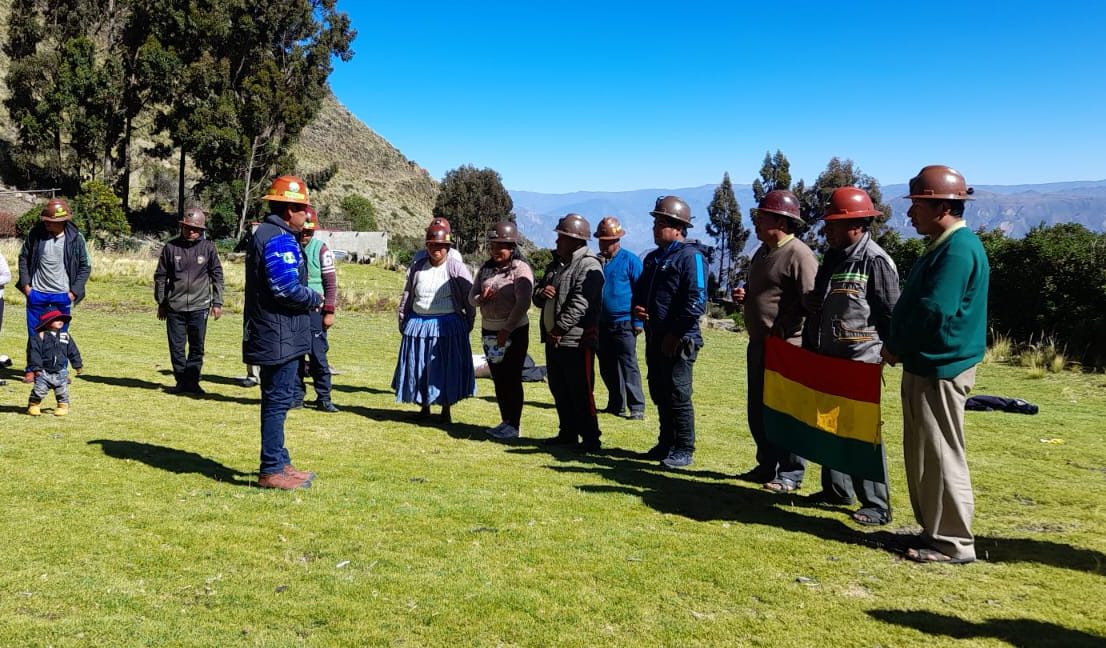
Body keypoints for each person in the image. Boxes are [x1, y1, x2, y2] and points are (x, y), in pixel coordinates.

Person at [883, 165, 989, 564]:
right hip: (927, 365)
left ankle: (953, 542)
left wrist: (895, 346)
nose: (910, 214)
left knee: (942, 453)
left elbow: (934, 311)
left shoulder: (958, 249)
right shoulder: (943, 245)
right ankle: (934, 532)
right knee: (927, 452)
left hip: (940, 367)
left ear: (942, 205)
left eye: (918, 206)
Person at [801, 187, 900, 526]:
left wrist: (887, 353)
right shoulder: (832, 258)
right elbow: (822, 299)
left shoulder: (875, 261)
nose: (826, 230)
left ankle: (876, 503)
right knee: (829, 426)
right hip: (828, 357)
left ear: (856, 225)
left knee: (861, 434)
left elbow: (889, 312)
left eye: (834, 224)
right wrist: (811, 304)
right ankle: (836, 490)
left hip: (860, 360)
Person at [733, 189, 818, 491]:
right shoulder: (763, 252)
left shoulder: (799, 255)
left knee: (786, 413)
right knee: (759, 409)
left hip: (786, 348)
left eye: (762, 216)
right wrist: (745, 297)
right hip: (759, 344)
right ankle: (767, 465)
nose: (755, 222)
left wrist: (786, 327)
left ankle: (790, 473)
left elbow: (812, 302)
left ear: (781, 221)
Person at [243, 175, 322, 490]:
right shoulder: (278, 237)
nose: (307, 214)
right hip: (277, 334)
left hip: (279, 332)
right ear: (289, 210)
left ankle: (280, 460)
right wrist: (314, 298)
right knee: (276, 402)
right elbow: (285, 288)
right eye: (303, 208)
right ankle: (271, 469)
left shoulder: (272, 233)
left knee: (279, 399)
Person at [632, 196, 707, 468]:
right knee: (659, 390)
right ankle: (666, 442)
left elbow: (696, 301)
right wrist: (639, 312)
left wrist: (674, 334)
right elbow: (642, 294)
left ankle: (684, 447)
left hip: (679, 339)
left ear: (678, 227)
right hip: (655, 336)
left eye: (661, 223)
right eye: (654, 222)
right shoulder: (653, 259)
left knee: (678, 393)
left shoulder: (691, 257)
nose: (655, 228)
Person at [533, 214, 605, 451]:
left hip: (576, 340)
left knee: (581, 390)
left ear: (575, 240)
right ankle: (567, 432)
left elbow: (580, 304)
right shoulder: (556, 264)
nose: (556, 241)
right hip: (554, 339)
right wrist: (542, 293)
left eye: (561, 237)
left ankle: (591, 438)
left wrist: (559, 328)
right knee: (559, 387)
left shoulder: (589, 265)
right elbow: (538, 294)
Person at [393, 223, 476, 423]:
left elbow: (469, 296)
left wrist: (469, 321)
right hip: (419, 324)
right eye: (431, 245)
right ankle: (424, 408)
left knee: (445, 368)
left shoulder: (456, 268)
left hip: (447, 327)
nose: (436, 250)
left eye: (440, 246)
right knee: (420, 367)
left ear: (448, 247)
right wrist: (403, 318)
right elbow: (408, 294)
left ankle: (446, 410)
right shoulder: (418, 267)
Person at [469, 221, 534, 440]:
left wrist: (507, 328)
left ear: (512, 247)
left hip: (513, 332)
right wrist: (481, 299)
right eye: (493, 245)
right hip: (488, 331)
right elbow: (472, 297)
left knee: (511, 378)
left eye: (502, 246)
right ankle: (505, 420)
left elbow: (523, 302)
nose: (496, 250)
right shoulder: (486, 269)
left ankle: (514, 424)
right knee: (498, 378)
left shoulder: (520, 269)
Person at [16, 198, 91, 381]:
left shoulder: (76, 238)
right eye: (46, 220)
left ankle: (59, 371)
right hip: (37, 293)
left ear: (61, 221)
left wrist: (73, 292)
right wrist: (27, 287)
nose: (46, 223)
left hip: (62, 295)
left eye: (50, 221)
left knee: (60, 335)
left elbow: (85, 266)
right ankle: (33, 369)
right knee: (35, 334)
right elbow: (23, 258)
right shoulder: (35, 235)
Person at [153, 208, 224, 395]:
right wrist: (161, 302)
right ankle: (181, 381)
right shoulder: (170, 248)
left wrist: (217, 303)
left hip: (199, 305)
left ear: (201, 230)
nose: (191, 231)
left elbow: (217, 275)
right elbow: (161, 277)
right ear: (182, 227)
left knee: (197, 346)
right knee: (176, 347)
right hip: (174, 306)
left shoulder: (208, 248)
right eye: (187, 228)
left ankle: (193, 381)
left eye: (195, 229)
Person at [594, 216, 646, 420]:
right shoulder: (598, 261)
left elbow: (640, 292)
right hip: (602, 323)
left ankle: (637, 407)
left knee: (628, 364)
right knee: (606, 365)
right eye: (601, 240)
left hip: (624, 322)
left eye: (607, 240)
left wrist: (638, 321)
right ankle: (616, 403)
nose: (603, 244)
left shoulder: (630, 260)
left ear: (617, 240)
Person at [294, 206, 340, 412]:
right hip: (295, 308)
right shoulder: (291, 246)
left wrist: (329, 311)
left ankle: (324, 397)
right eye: (302, 231)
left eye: (309, 232)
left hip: (315, 310)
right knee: (294, 356)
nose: (305, 236)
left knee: (318, 356)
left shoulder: (321, 249)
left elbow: (330, 282)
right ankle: (296, 395)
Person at [26, 309, 83, 417]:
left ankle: (62, 406)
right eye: (56, 319)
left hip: (60, 371)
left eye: (61, 319)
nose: (60, 321)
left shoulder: (65, 336)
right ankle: (33, 405)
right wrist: (36, 368)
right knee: (39, 390)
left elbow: (73, 351)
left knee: (62, 391)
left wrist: (77, 365)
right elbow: (33, 353)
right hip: (43, 371)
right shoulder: (38, 337)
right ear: (47, 322)